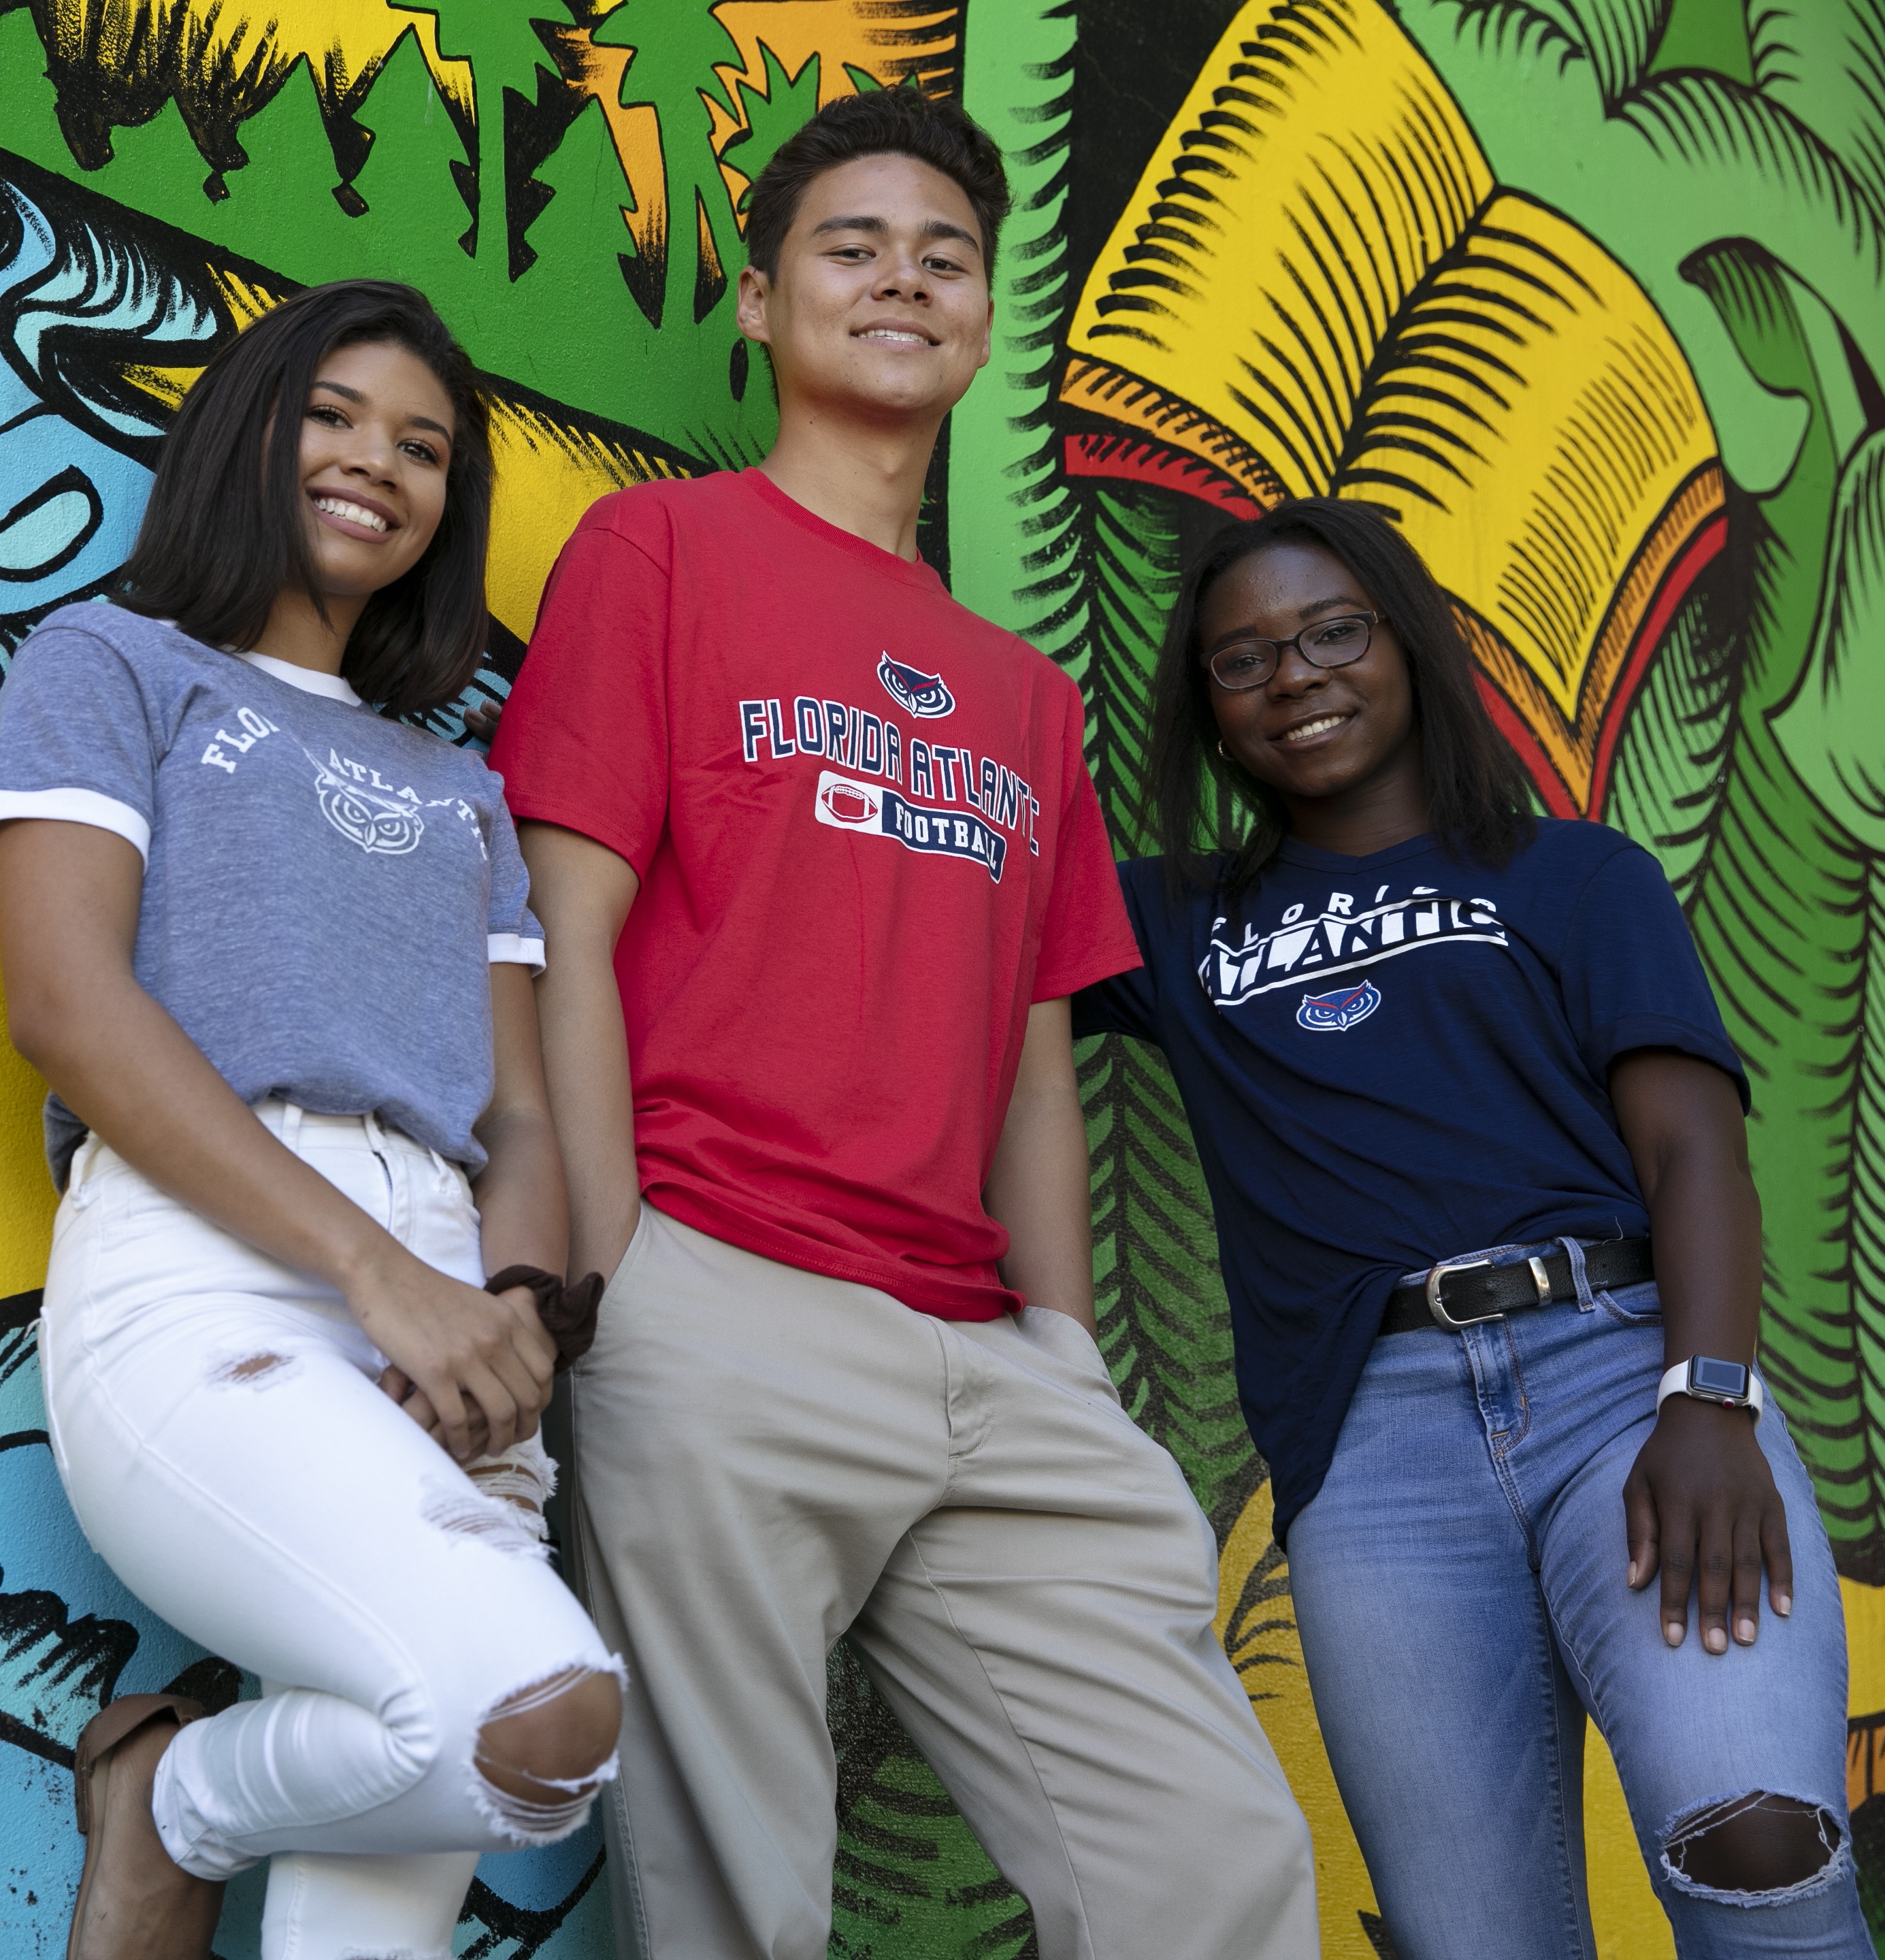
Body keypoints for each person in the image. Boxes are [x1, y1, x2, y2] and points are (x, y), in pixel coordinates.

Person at [488, 84, 1317, 1960]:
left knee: (1211, 1872)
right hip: (719, 1300)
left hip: (987, 1358)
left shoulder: (1024, 696)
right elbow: (564, 923)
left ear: (983, 319)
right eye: (851, 247)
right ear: (764, 305)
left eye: (947, 257)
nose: (904, 281)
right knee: (740, 1906)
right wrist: (617, 1279)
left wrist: (1068, 1351)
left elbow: (1033, 1045)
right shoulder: (662, 554)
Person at [1075, 496, 1869, 1956]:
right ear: (1208, 708)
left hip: (1617, 1386)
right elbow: (943, 911)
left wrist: (1708, 1401)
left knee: (1751, 1837)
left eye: (1331, 633)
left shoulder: (1575, 875)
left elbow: (1693, 1147)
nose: (1294, 675)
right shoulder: (1175, 925)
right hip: (1377, 1461)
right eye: (1241, 660)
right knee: (1474, 1940)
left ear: (1406, 646)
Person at [0, 278, 623, 1960]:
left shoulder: (456, 784)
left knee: (405, 1900)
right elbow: (66, 1005)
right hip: (214, 1281)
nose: (375, 465)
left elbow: (524, 1121)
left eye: (421, 448)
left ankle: (175, 1798)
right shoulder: (109, 663)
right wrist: (370, 1269)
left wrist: (514, 1317)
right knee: (535, 1718)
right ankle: (177, 1803)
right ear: (247, 431)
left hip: (456, 1325)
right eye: (332, 415)